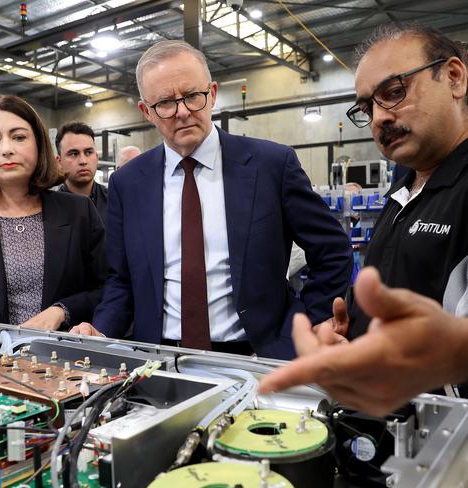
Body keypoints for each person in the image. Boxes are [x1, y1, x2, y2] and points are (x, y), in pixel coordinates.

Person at [71, 40, 352, 359]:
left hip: (259, 354)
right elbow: (121, 279)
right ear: (146, 111)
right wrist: (100, 332)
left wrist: (305, 322)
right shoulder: (128, 183)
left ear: (213, 93)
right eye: (165, 102)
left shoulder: (271, 165)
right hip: (159, 358)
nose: (182, 112)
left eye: (193, 96)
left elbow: (331, 250)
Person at [316, 23, 468, 343]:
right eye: (367, 107)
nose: (379, 118)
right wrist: (349, 329)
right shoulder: (404, 187)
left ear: (454, 78)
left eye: (395, 92)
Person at [0, 95, 106, 330]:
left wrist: (62, 310)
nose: (7, 149)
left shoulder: (79, 211)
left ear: (38, 142)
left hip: (64, 356)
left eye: (18, 137)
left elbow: (106, 288)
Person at [258, 266, 468, 417]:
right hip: (383, 411)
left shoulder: (455, 205)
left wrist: (454, 350)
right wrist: (346, 329)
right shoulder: (393, 205)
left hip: (441, 411)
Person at [55, 122, 108, 224]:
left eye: (88, 152)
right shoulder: (49, 208)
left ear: (96, 157)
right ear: (59, 161)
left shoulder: (114, 201)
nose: (83, 161)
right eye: (74, 154)